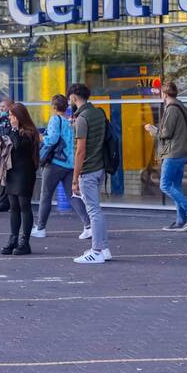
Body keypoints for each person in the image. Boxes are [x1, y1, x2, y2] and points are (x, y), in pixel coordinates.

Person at [33, 94, 93, 240]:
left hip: (55, 164)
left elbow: (52, 139)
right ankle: (88, 225)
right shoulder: (71, 122)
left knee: (46, 195)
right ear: (66, 107)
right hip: (70, 164)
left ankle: (40, 228)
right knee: (72, 196)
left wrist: (41, 137)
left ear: (54, 107)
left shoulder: (55, 119)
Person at [146, 82, 187, 232]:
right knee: (175, 187)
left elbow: (166, 133)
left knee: (164, 185)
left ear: (164, 94)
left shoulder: (171, 109)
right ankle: (180, 221)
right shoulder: (181, 106)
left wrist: (153, 130)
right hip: (182, 152)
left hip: (173, 152)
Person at [69, 83, 112, 264]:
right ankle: (103, 248)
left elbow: (80, 151)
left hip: (88, 170)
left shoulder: (82, 119)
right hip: (100, 166)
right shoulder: (98, 113)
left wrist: (75, 178)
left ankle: (97, 251)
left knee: (93, 211)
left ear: (73, 97)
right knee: (95, 210)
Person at [0, 103, 40, 255]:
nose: (10, 118)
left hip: (24, 171)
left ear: (19, 116)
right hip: (12, 170)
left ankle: (25, 241)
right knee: (13, 206)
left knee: (24, 205)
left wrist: (15, 129)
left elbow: (18, 146)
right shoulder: (11, 130)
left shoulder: (29, 132)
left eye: (12, 115)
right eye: (9, 115)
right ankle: (13, 239)